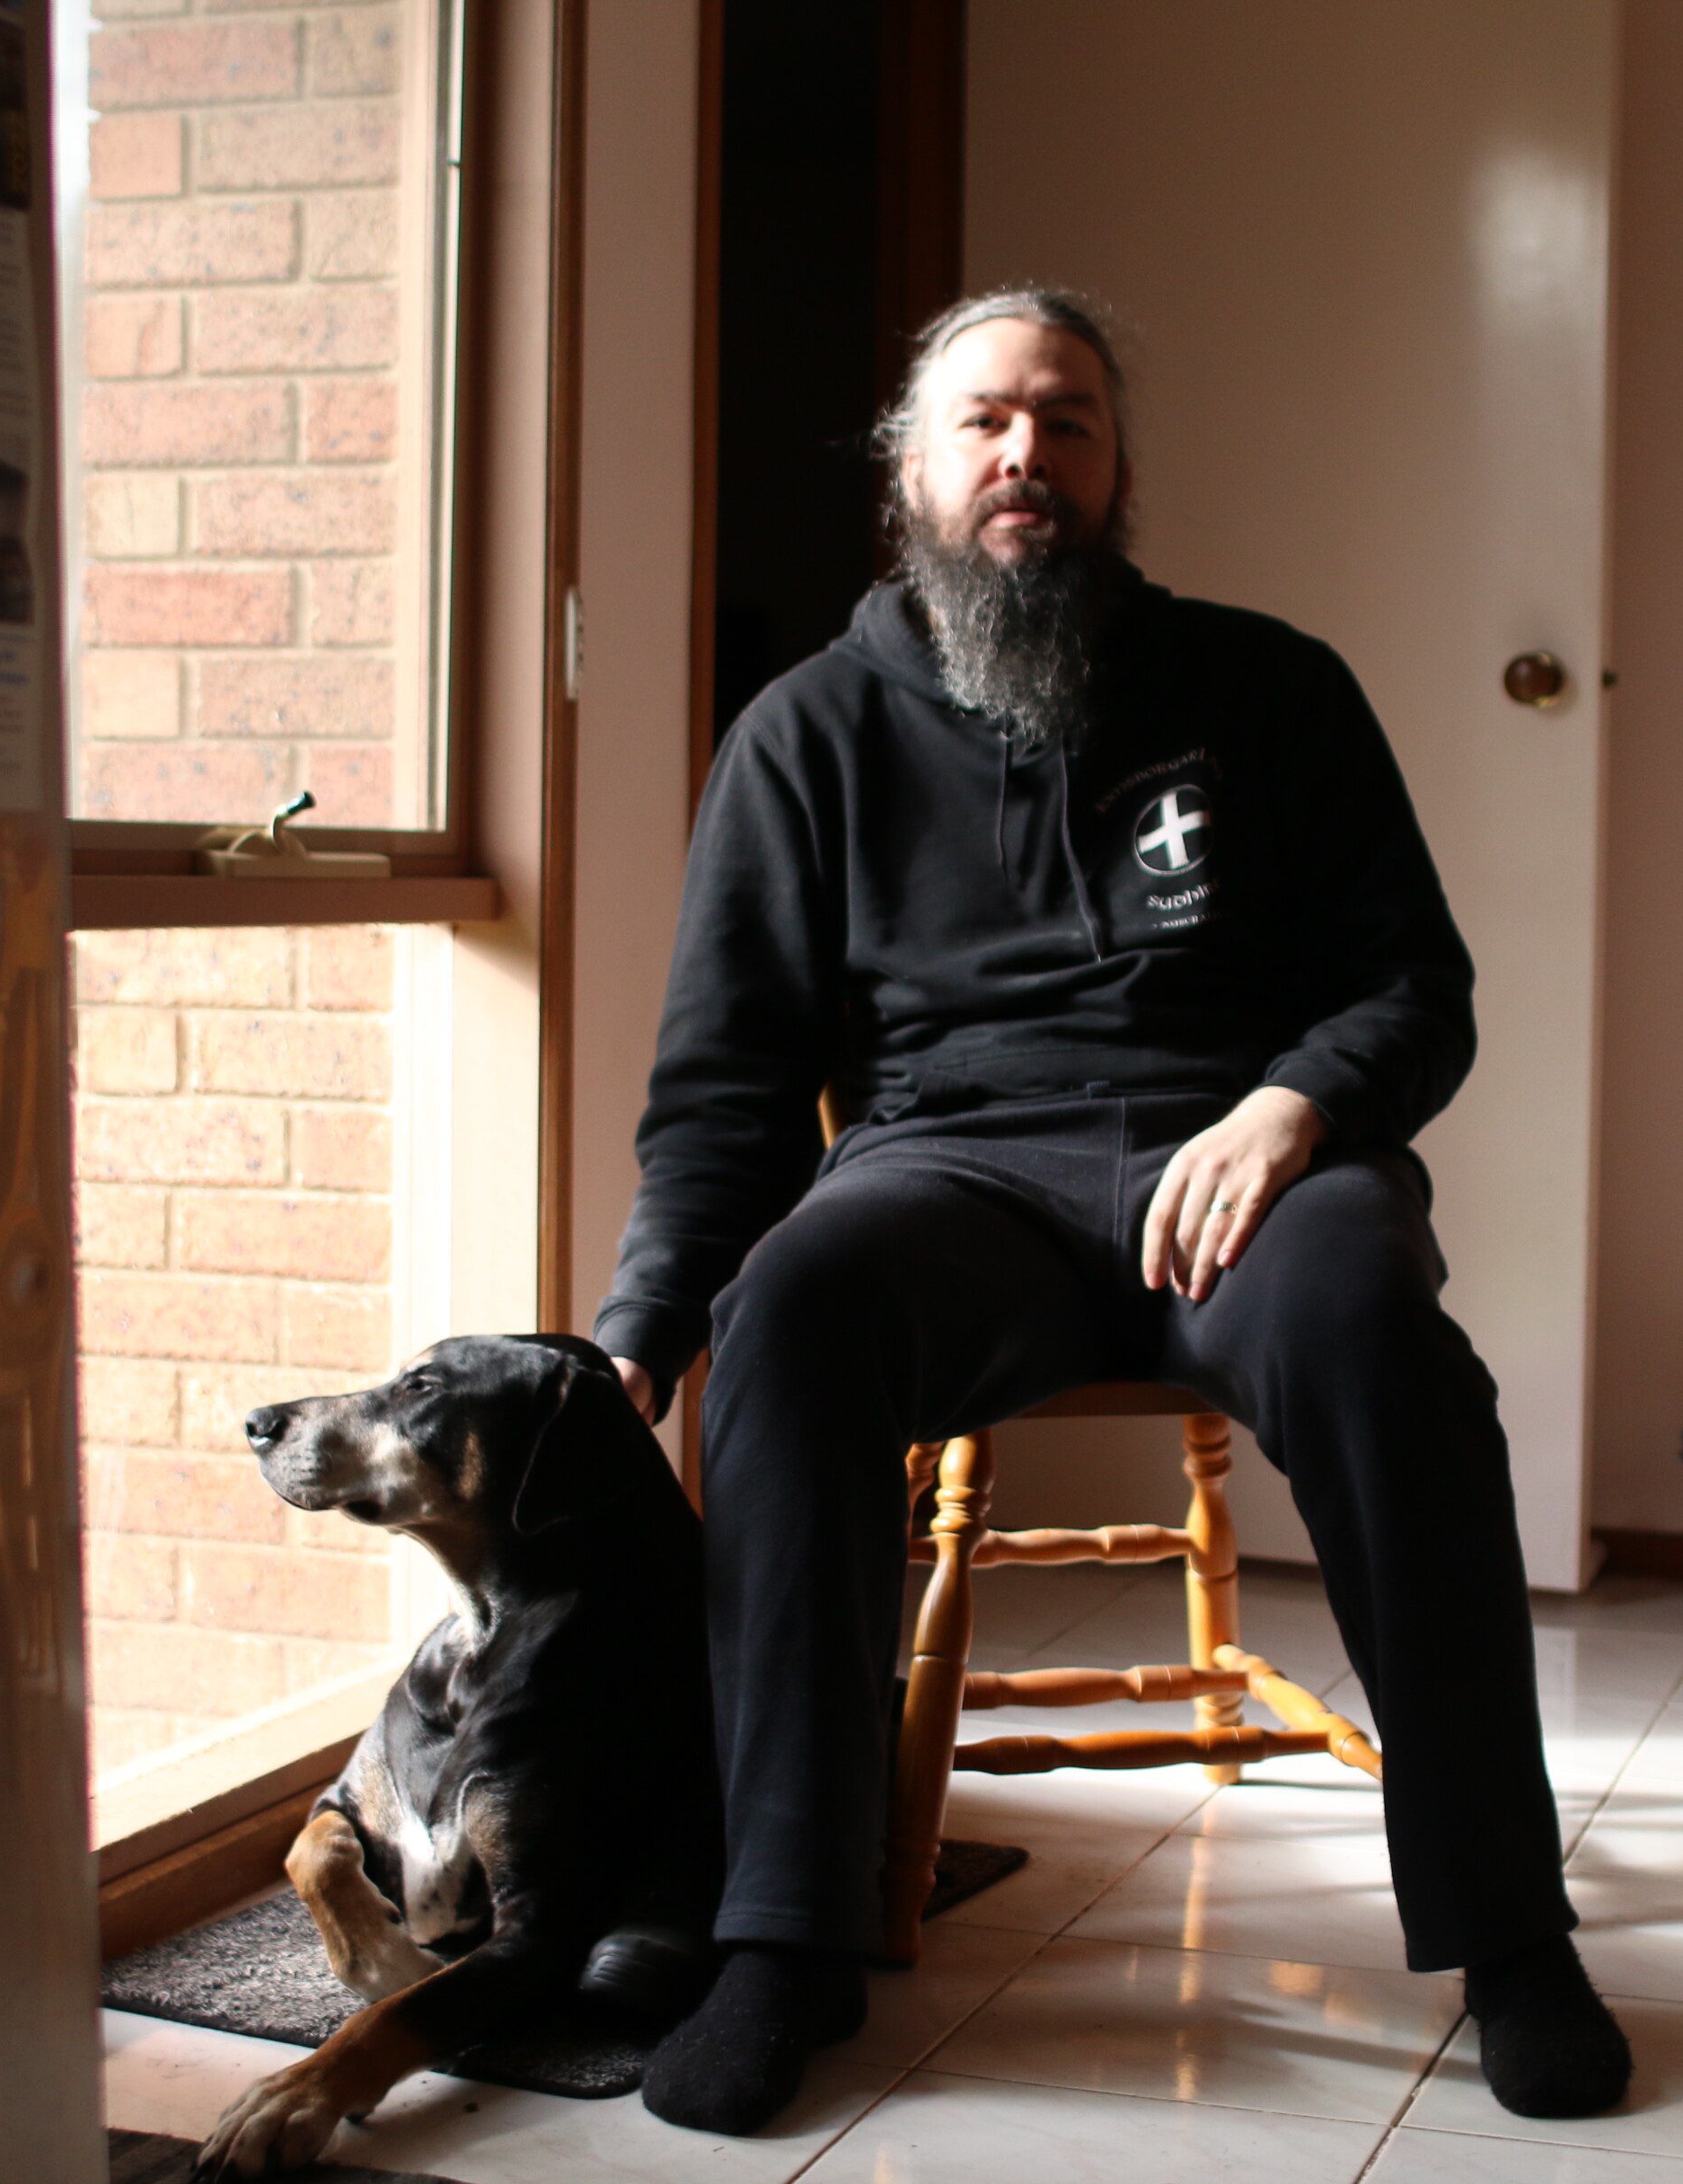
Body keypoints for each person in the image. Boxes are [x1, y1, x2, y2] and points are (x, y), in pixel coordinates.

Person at [596, 287, 1628, 2136]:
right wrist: (641, 1323)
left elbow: (1419, 984)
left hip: (1245, 1166)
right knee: (791, 1317)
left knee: (1381, 1347)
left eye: (1069, 423)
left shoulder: (1273, 687)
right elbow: (726, 1093)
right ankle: (786, 1936)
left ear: (1118, 467)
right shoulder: (804, 736)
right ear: (910, 469)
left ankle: (1507, 1932)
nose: (1028, 458)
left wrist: (1296, 1103)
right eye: (987, 421)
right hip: (950, 1166)